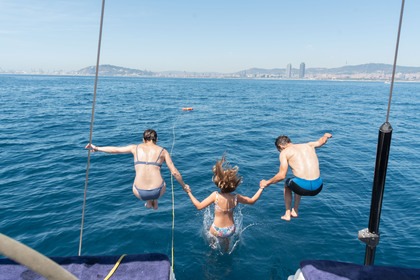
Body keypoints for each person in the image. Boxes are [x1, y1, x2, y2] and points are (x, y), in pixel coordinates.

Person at [85, 129, 188, 210]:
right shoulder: (163, 151)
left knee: (141, 186)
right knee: (159, 182)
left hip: (139, 192)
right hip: (158, 190)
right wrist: (184, 186)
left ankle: (148, 202)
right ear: (156, 140)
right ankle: (154, 200)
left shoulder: (135, 148)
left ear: (143, 139)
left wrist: (97, 148)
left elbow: (114, 150)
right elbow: (174, 172)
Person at [185, 156, 264, 251]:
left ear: (218, 184)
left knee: (212, 243)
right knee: (226, 243)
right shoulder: (236, 197)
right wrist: (261, 188)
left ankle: (211, 256)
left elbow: (198, 206)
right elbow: (252, 201)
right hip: (230, 230)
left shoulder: (215, 196)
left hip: (217, 230)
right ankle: (226, 249)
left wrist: (189, 192)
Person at [260, 133, 332, 221]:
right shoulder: (308, 145)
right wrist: (326, 136)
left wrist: (267, 182)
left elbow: (281, 176)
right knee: (296, 180)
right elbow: (322, 141)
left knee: (288, 183)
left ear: (280, 146)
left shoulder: (285, 152)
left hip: (303, 188)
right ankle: (295, 210)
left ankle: (287, 213)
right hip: (318, 186)